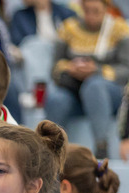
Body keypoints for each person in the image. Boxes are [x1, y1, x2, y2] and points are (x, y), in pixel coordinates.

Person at [44, 0, 129, 158]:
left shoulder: (120, 29)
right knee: (56, 99)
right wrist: (70, 68)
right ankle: (50, 152)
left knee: (93, 86)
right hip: (74, 89)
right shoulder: (68, 28)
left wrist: (97, 71)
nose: (91, 16)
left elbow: (126, 70)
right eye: (87, 11)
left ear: (106, 9)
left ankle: (101, 147)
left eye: (96, 11)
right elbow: (54, 67)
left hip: (110, 93)